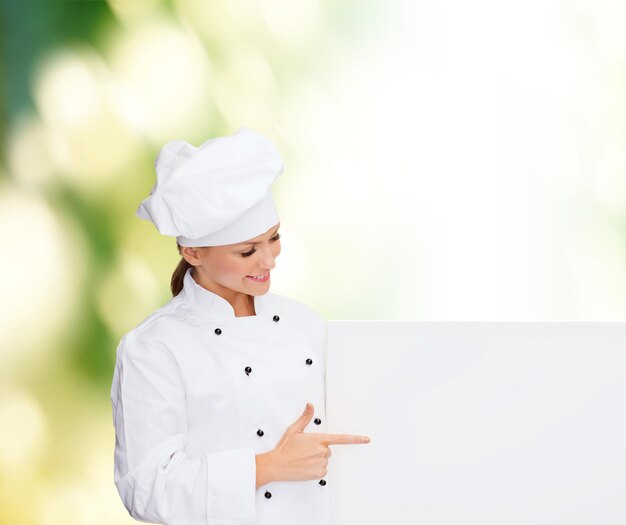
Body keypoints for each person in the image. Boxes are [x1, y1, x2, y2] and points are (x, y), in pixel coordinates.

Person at [110, 127, 371, 525]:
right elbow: (147, 489)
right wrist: (268, 466)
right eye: (247, 250)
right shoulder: (154, 348)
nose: (269, 260)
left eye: (274, 238)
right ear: (192, 251)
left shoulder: (305, 324)